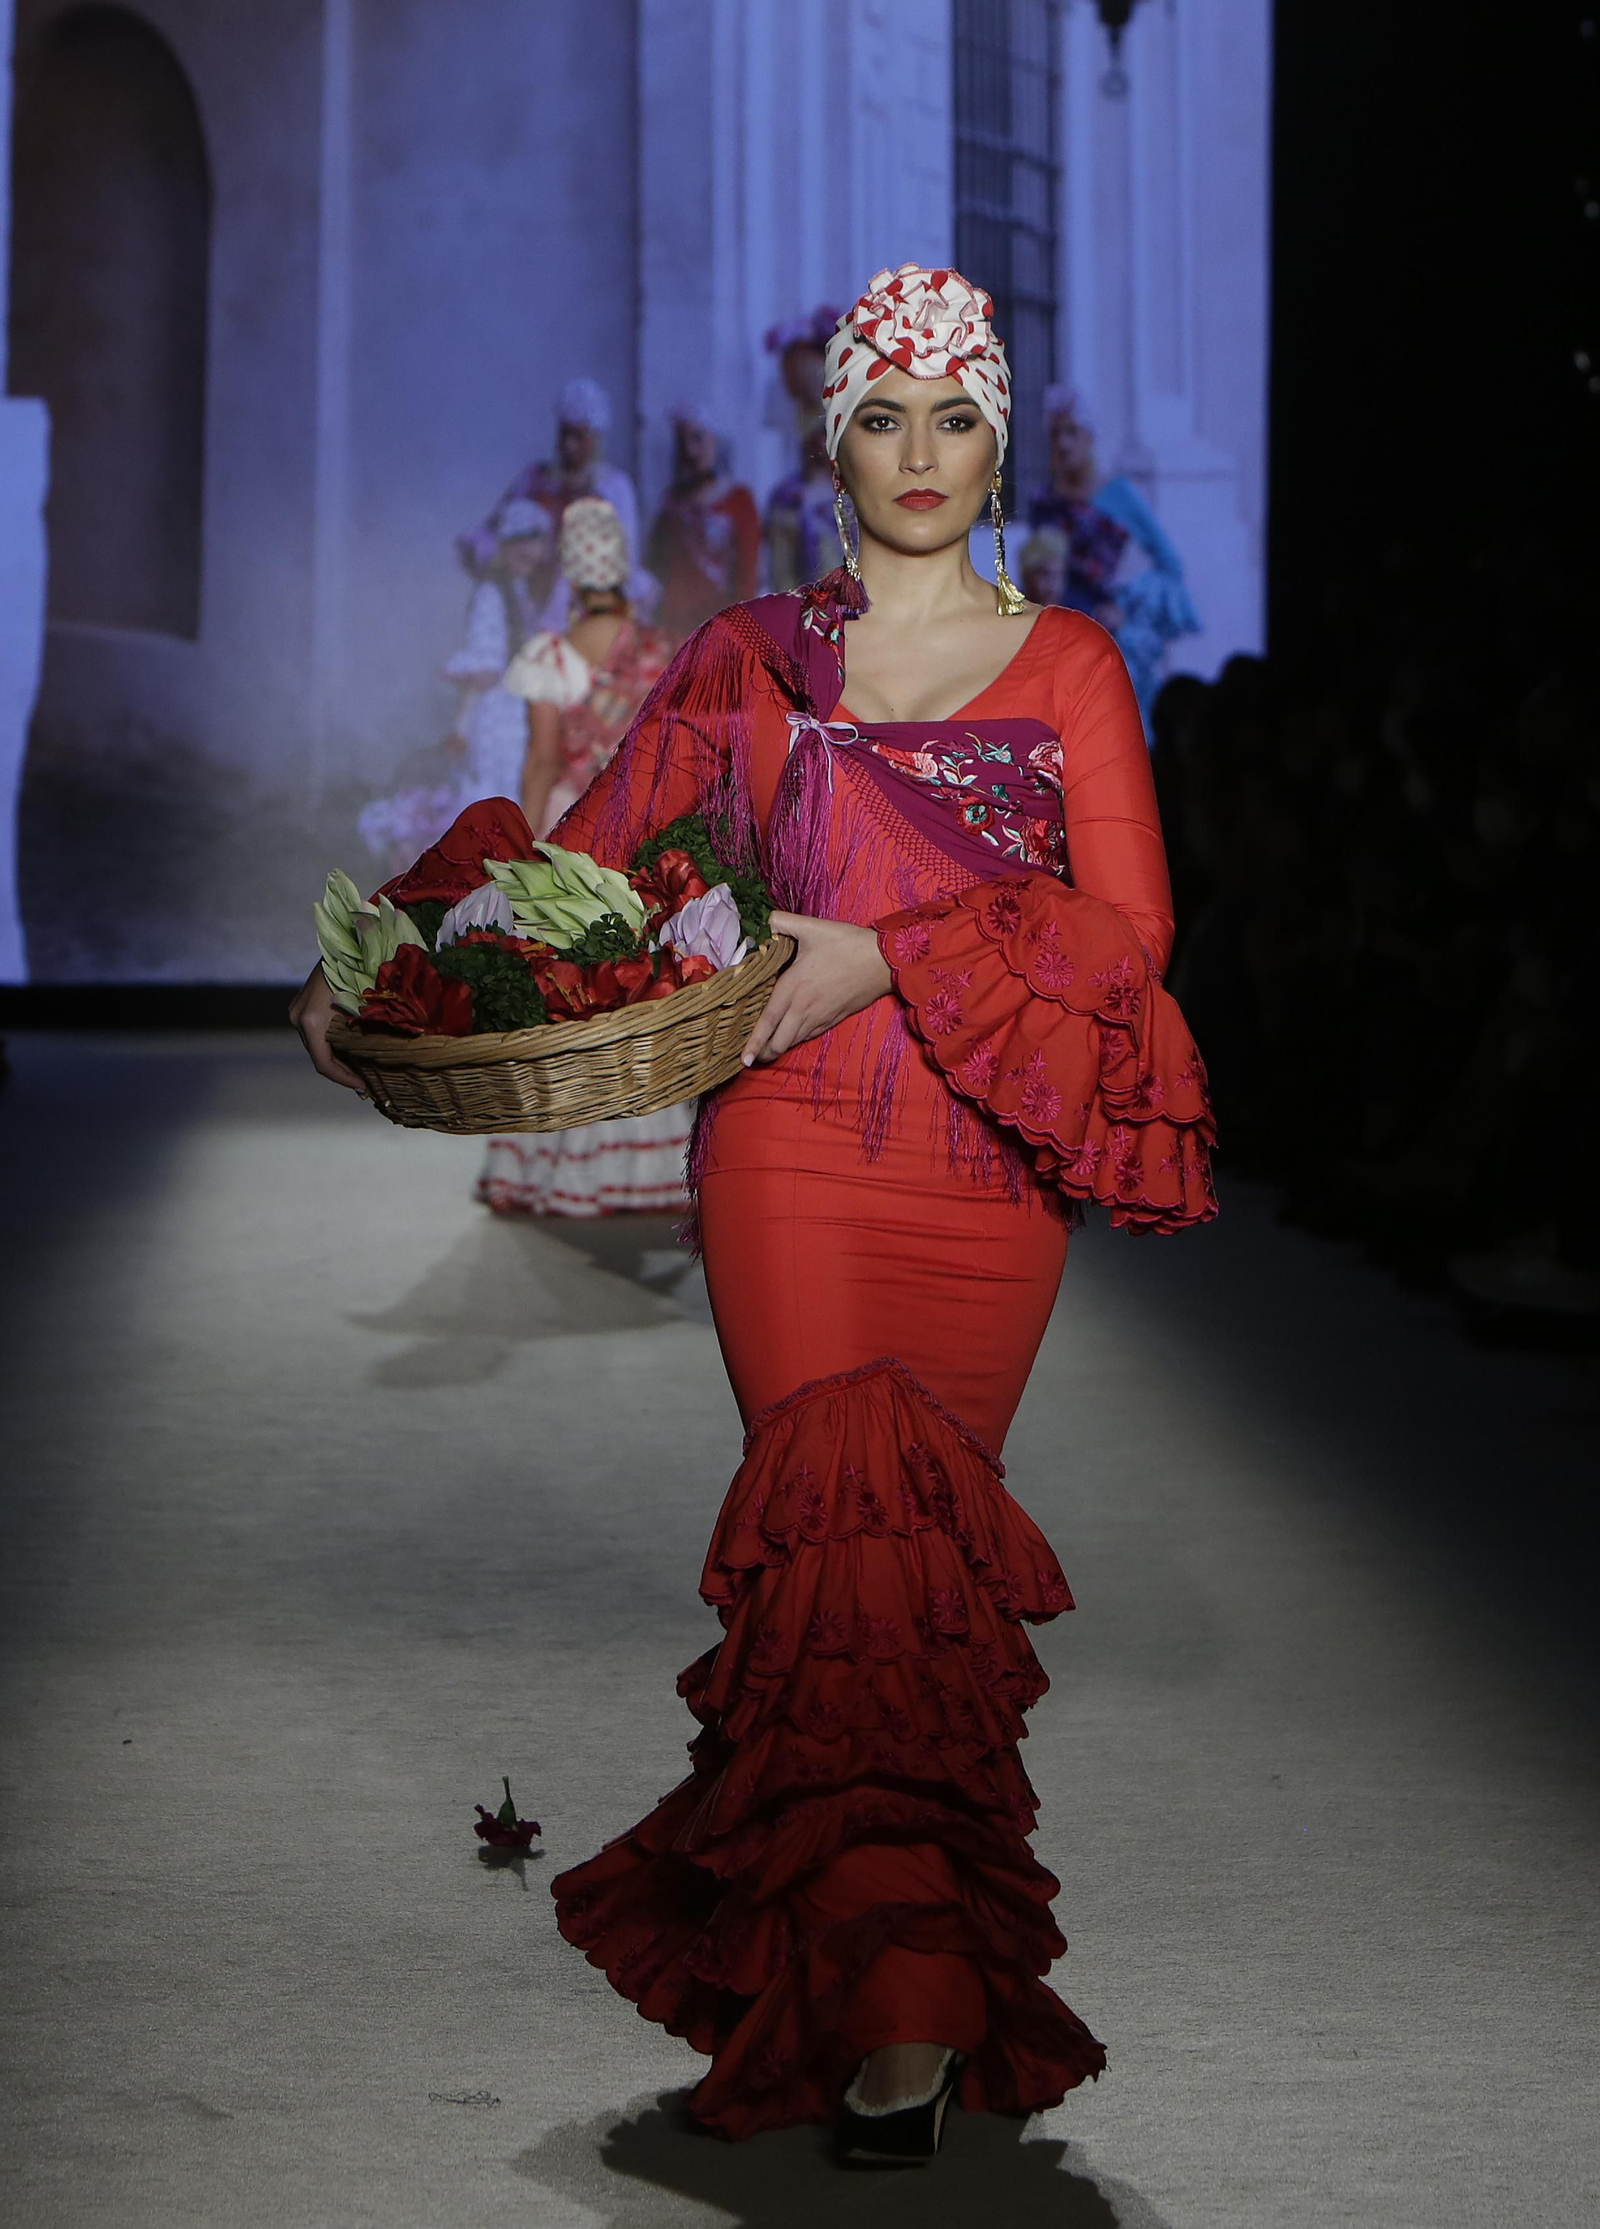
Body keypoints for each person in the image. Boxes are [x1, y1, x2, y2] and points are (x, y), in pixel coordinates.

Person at [291, 262, 1214, 2162]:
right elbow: (589, 865)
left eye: (956, 416)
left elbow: (1131, 934)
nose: (920, 452)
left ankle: (871, 1983)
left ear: (1000, 441)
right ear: (830, 444)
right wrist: (393, 949)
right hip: (787, 1153)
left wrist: (890, 948)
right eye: (883, 415)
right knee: (833, 1552)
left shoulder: (1069, 665)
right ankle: (904, 2017)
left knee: (918, 1585)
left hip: (983, 1174)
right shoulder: (752, 655)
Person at [475, 496, 688, 1219]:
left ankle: (555, 1166)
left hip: (571, 833)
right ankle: (643, 1166)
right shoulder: (662, 650)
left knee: (564, 994)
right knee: (636, 990)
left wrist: (519, 848)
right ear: (623, 566)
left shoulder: (551, 655)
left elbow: (540, 762)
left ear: (571, 571)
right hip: (640, 835)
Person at [356, 500, 555, 879]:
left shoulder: (518, 592)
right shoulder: (491, 595)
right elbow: (482, 672)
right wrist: (461, 728)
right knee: (485, 793)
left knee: (503, 793)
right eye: (522, 545)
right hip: (493, 713)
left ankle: (483, 876)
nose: (531, 554)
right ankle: (447, 871)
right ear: (506, 546)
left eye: (536, 546)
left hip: (511, 711)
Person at [1029, 385, 1201, 725]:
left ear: (1090, 437)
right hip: (1060, 646)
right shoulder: (1043, 503)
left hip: (1112, 643)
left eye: (1072, 432)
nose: (1063, 444)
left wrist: (1124, 606)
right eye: (1055, 434)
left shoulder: (1119, 495)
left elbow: (1170, 564)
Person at [457, 377, 652, 628]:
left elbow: (624, 559)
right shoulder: (534, 479)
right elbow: (491, 530)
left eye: (579, 436)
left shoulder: (613, 488)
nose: (569, 445)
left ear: (596, 438)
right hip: (528, 601)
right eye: (564, 434)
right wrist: (503, 555)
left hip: (583, 610)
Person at [645, 406, 760, 643]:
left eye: (698, 439)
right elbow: (656, 568)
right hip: (675, 631)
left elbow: (748, 574)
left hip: (722, 631)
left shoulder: (739, 501)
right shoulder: (671, 505)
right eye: (682, 442)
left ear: (714, 441)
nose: (690, 451)